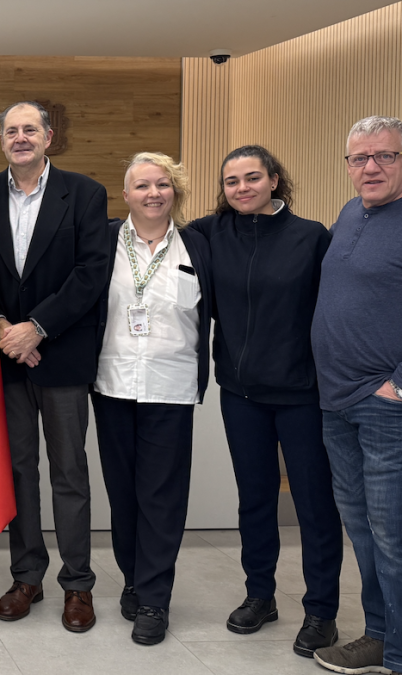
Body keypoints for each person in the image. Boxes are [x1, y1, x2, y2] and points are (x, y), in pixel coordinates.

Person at [189, 145, 343, 658]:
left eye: (252, 178)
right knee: (254, 499)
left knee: (313, 504)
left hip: (302, 393)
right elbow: (150, 233)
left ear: (274, 179)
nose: (241, 188)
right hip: (241, 393)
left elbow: (334, 310)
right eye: (231, 181)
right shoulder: (212, 233)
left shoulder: (311, 236)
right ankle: (261, 596)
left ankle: (321, 610)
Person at [0, 101, 110, 632]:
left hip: (61, 355)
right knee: (18, 472)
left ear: (49, 137)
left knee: (69, 474)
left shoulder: (84, 193)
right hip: (5, 356)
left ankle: (77, 585)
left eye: (30, 129)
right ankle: (27, 575)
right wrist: (9, 328)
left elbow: (90, 271)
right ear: (2, 141)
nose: (20, 137)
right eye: (11, 130)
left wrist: (38, 327)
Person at [92, 152, 212, 645]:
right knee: (123, 495)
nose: (153, 193)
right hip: (112, 383)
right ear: (126, 195)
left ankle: (156, 600)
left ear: (175, 192)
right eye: (142, 185)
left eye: (162, 184)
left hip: (171, 387)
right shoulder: (101, 242)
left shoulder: (199, 246)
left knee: (161, 497)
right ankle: (134, 578)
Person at [311, 115, 402, 675]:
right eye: (359, 158)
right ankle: (378, 635)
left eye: (385, 156)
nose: (370, 167)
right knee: (364, 529)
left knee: (392, 533)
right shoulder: (349, 214)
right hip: (336, 402)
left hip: (385, 405)